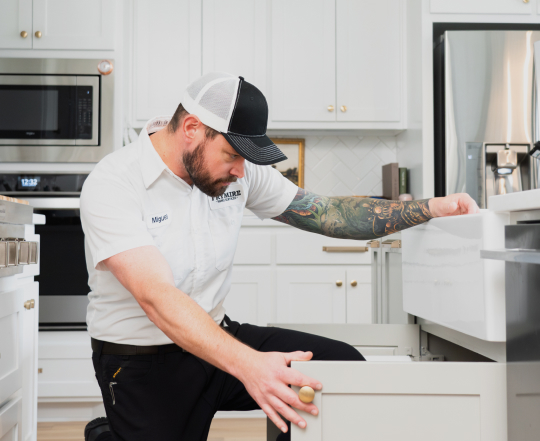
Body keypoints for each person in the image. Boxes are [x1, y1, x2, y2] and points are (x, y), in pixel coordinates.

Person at [81, 72, 479, 441]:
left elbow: (330, 215)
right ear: (191, 129)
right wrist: (249, 365)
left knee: (337, 366)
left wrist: (431, 208)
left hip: (217, 335)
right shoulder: (115, 182)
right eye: (232, 155)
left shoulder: (238, 172)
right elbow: (157, 298)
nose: (241, 171)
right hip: (141, 362)